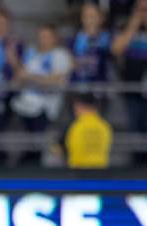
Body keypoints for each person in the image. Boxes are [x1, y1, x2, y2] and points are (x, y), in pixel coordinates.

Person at [10, 24, 73, 132]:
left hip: (45, 107)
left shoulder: (60, 55)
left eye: (47, 36)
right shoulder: (31, 53)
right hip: (25, 104)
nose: (43, 40)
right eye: (41, 36)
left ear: (54, 38)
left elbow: (56, 80)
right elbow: (20, 76)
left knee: (37, 140)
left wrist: (30, 77)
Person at [112, 0, 147, 132]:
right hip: (132, 90)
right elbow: (116, 49)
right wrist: (133, 26)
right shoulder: (125, 27)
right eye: (140, 9)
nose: (144, 13)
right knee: (135, 130)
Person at [54, 93, 112, 169]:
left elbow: (57, 149)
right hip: (101, 172)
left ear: (78, 106)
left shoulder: (73, 126)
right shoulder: (105, 126)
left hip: (77, 173)